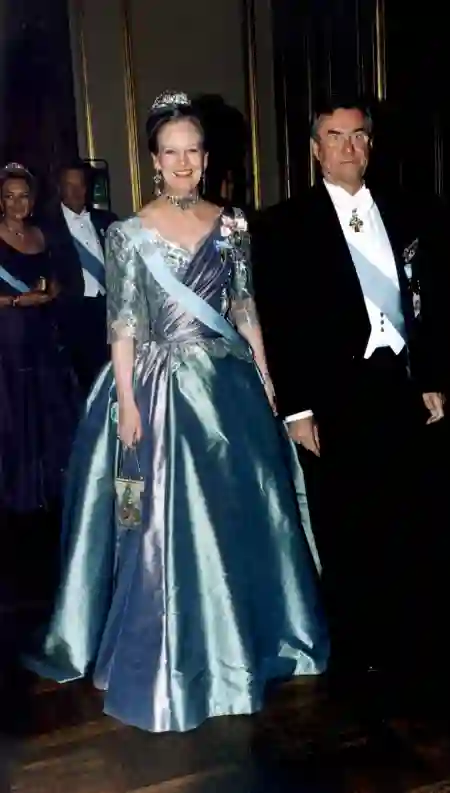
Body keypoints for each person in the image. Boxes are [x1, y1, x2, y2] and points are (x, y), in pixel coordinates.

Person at [28, 91, 328, 733]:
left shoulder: (234, 226)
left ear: (205, 156)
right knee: (157, 523)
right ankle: (165, 653)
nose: (184, 162)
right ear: (155, 162)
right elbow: (125, 322)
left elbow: (245, 308)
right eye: (172, 153)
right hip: (158, 391)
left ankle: (241, 644)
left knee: (240, 517)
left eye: (193, 150)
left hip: (228, 388)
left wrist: (268, 378)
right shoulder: (129, 234)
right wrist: (129, 403)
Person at [251, 98, 447, 686]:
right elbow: (280, 321)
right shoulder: (285, 223)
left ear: (371, 145)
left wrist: (431, 377)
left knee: (405, 514)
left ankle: (405, 639)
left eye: (358, 136)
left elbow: (428, 300)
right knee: (344, 524)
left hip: (398, 383)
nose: (348, 147)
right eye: (335, 137)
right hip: (331, 394)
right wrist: (298, 409)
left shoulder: (408, 211)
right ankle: (356, 648)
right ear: (315, 149)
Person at [0, 163, 79, 517]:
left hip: (42, 333)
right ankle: (18, 490)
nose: (17, 204)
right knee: (15, 412)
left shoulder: (42, 236)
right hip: (8, 336)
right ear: (0, 201)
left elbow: (57, 278)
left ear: (32, 201)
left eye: (24, 196)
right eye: (9, 197)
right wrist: (17, 301)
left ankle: (47, 486)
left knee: (46, 408)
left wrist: (51, 291)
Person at [42, 162, 117, 395]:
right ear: (59, 189)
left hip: (111, 308)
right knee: (89, 385)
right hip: (75, 313)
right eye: (69, 186)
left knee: (118, 374)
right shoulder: (46, 226)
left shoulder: (107, 220)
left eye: (80, 185)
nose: (75, 192)